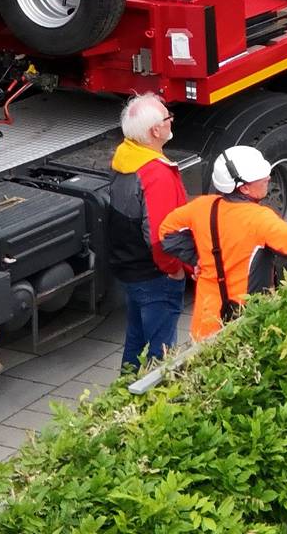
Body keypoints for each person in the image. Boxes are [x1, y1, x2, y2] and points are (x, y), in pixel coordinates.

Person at [157, 145, 287, 341]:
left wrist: (197, 259)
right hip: (246, 320)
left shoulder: (202, 207)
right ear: (244, 188)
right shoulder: (259, 219)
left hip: (206, 321)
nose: (268, 177)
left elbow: (166, 231)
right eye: (261, 177)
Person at [107, 95, 190, 371]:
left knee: (135, 342)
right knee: (161, 355)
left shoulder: (125, 157)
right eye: (168, 118)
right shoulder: (156, 174)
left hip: (132, 270)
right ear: (155, 131)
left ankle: (123, 396)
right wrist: (174, 269)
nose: (171, 121)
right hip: (155, 274)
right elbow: (160, 234)